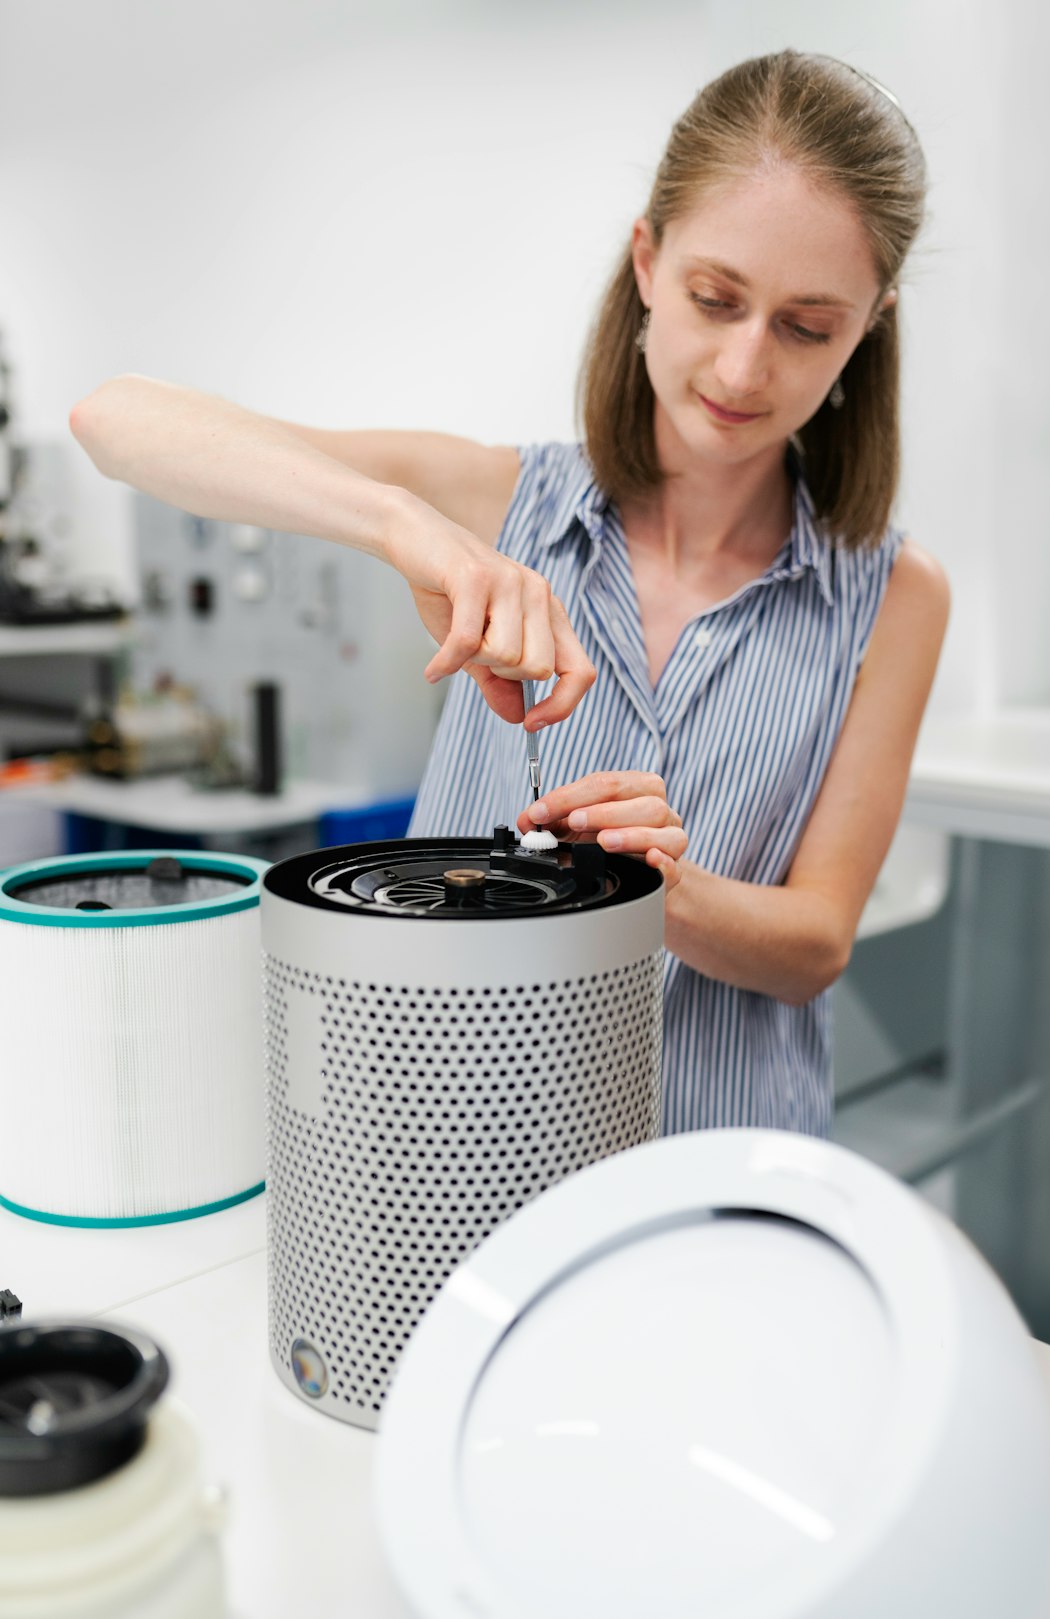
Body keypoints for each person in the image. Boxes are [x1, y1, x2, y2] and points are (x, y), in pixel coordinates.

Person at [71, 49, 948, 1139]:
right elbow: (116, 420)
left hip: (713, 1177)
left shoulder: (894, 593)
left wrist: (658, 887)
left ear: (869, 327)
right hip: (447, 1147)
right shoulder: (498, 496)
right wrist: (401, 523)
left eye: (807, 326)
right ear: (646, 260)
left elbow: (815, 946)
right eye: (713, 298)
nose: (739, 368)